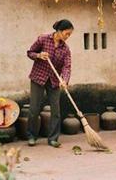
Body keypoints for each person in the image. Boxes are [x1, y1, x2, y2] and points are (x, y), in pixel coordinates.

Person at [26, 19, 74, 147]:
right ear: (58, 31)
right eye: (66, 34)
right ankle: (32, 136)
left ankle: (53, 138)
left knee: (56, 111)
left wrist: (64, 80)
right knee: (34, 109)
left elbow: (67, 66)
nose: (68, 37)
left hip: (54, 81)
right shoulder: (43, 39)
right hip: (38, 78)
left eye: (70, 35)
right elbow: (30, 53)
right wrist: (39, 55)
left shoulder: (66, 49)